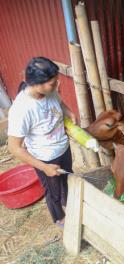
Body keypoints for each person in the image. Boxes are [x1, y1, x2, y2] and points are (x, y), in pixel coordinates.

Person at [8, 57, 76, 227]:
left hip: (63, 148)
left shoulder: (50, 90)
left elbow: (60, 103)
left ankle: (70, 205)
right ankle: (59, 217)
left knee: (67, 179)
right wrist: (44, 167)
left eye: (55, 82)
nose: (56, 86)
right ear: (35, 83)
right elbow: (14, 148)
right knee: (52, 191)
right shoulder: (21, 109)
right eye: (52, 83)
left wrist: (69, 113)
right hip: (45, 158)